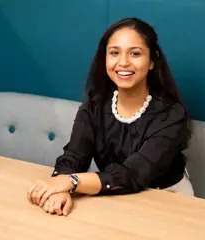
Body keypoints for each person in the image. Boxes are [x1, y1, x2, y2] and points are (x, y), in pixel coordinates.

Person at [27, 17, 194, 216]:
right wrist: (60, 188)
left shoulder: (171, 115)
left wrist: (70, 182)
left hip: (169, 199)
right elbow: (74, 156)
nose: (123, 62)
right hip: (115, 196)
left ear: (152, 61)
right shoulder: (95, 105)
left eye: (135, 53)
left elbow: (132, 174)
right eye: (114, 53)